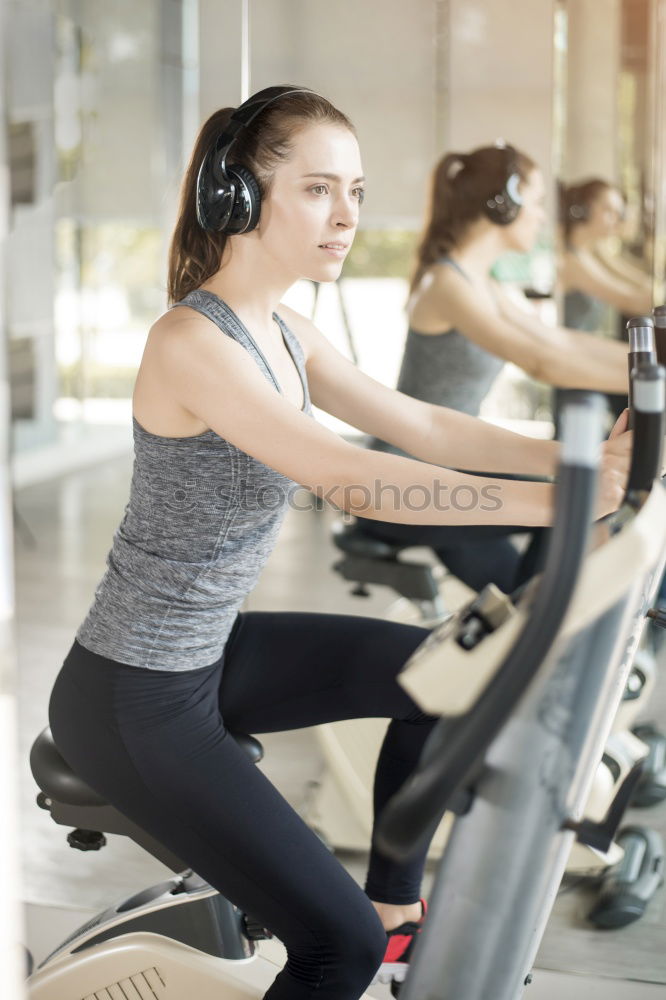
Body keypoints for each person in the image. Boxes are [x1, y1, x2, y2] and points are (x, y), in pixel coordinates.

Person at [47, 87, 630, 1000]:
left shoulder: (288, 329)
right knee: (337, 949)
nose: (349, 215)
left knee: (450, 677)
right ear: (236, 196)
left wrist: (589, 459)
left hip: (210, 656)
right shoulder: (192, 342)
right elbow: (355, 478)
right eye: (320, 189)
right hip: (134, 693)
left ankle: (394, 901)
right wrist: (569, 501)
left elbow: (428, 428)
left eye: (355, 190)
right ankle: (369, 929)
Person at [356, 144, 632, 594]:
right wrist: (649, 380)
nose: (544, 216)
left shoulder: (483, 282)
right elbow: (543, 362)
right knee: (568, 504)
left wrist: (644, 363)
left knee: (520, 584)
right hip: (406, 478)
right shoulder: (447, 283)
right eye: (538, 202)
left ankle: (528, 634)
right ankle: (531, 640)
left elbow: (558, 342)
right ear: (503, 204)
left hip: (454, 466)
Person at [558, 178, 653, 332]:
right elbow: (633, 302)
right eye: (609, 211)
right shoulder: (571, 261)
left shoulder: (593, 250)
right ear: (583, 209)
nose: (617, 221)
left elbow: (635, 280)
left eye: (618, 213)